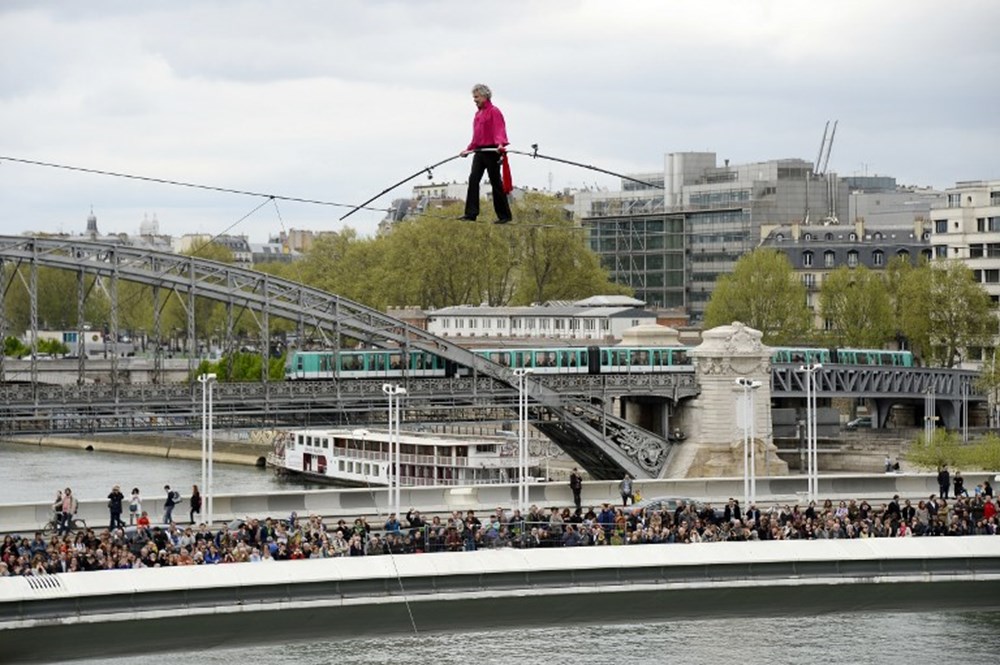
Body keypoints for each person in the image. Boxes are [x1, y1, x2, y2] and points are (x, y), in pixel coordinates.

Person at [458, 83, 513, 224]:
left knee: (495, 182)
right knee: (473, 179)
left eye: (476, 97)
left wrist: (500, 144)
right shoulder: (478, 114)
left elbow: (499, 129)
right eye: (473, 97)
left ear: (484, 96)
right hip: (480, 152)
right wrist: (468, 149)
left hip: (492, 151)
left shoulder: (494, 111)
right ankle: (471, 213)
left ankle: (504, 216)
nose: (474, 100)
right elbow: (476, 136)